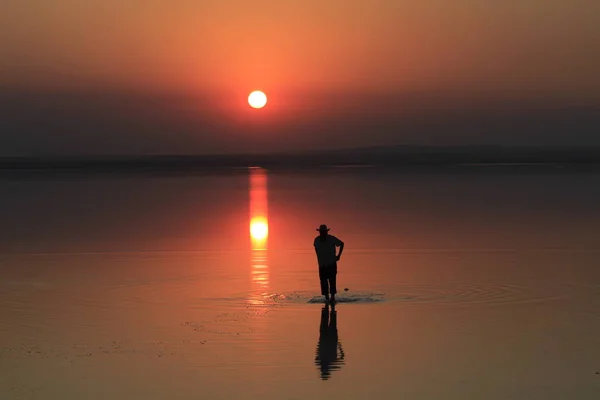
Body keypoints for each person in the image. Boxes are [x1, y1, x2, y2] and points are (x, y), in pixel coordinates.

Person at [314, 224, 344, 303]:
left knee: (332, 281)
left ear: (326, 232)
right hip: (322, 265)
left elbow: (341, 244)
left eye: (323, 232)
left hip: (331, 264)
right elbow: (316, 251)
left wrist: (338, 256)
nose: (322, 233)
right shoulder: (316, 240)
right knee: (323, 282)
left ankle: (332, 298)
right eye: (321, 232)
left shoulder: (331, 239)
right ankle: (327, 299)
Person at [314, 304, 345, 380]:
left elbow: (342, 357)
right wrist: (339, 345)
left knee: (327, 316)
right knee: (330, 316)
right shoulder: (332, 362)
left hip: (327, 336)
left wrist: (339, 346)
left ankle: (328, 304)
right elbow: (342, 358)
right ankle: (329, 304)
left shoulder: (328, 362)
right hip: (330, 337)